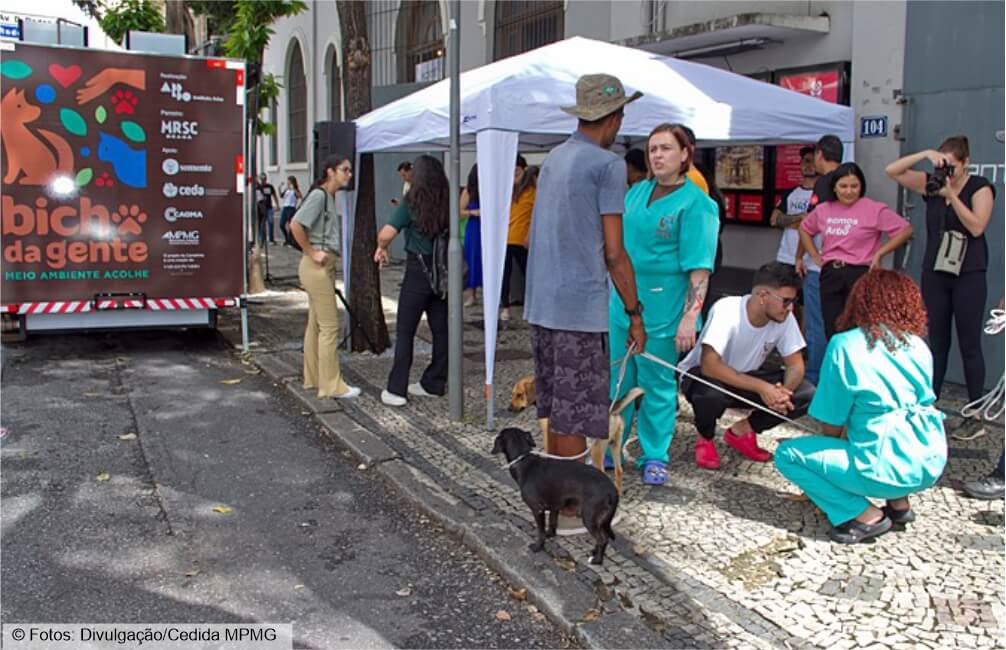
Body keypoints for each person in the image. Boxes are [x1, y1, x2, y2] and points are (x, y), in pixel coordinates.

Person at [524, 73, 646, 533]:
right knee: (575, 408)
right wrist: (635, 313)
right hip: (577, 304)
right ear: (614, 118)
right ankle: (571, 507)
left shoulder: (554, 158)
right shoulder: (606, 164)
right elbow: (614, 252)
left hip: (542, 300)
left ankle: (555, 499)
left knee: (557, 405)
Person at [775, 270, 947, 544]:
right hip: (929, 462)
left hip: (881, 467)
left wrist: (826, 461)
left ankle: (863, 515)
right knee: (892, 426)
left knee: (787, 455)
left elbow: (831, 419)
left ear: (860, 301)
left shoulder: (845, 344)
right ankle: (899, 506)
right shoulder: (918, 345)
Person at [609, 123, 719, 484]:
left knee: (657, 382)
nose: (657, 155)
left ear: (685, 154)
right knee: (617, 377)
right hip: (622, 298)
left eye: (666, 148)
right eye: (653, 148)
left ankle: (655, 453)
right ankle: (613, 444)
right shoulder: (636, 192)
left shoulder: (698, 204)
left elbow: (699, 267)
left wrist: (691, 314)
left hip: (665, 304)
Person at [885, 136, 996, 423]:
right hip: (936, 271)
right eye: (943, 165)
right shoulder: (932, 183)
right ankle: (929, 404)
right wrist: (924, 153)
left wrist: (952, 196)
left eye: (953, 166)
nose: (947, 172)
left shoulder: (979, 187)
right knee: (937, 341)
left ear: (966, 163)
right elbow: (892, 171)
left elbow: (976, 227)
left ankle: (975, 414)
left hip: (968, 273)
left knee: (969, 343)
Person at [680, 263, 815, 469]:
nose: (791, 308)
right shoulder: (728, 309)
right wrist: (763, 388)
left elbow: (795, 365)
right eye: (786, 301)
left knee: (806, 393)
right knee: (710, 394)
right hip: (704, 376)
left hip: (746, 378)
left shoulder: (785, 318)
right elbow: (709, 365)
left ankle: (742, 431)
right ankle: (704, 437)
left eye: (794, 301)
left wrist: (783, 393)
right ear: (762, 295)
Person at [799, 162, 913, 339]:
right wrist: (813, 254)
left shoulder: (873, 209)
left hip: (861, 273)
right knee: (833, 329)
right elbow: (805, 228)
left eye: (854, 186)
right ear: (835, 188)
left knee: (859, 329)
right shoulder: (824, 209)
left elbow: (905, 230)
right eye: (843, 186)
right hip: (831, 273)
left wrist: (880, 252)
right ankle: (838, 364)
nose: (849, 191)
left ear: (861, 187)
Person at [374, 155, 450, 407]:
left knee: (406, 331)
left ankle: (396, 390)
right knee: (441, 331)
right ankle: (434, 383)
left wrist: (381, 247)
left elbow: (386, 233)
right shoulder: (447, 200)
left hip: (417, 272)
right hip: (441, 272)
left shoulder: (411, 202)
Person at [288, 156, 360, 400]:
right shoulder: (319, 195)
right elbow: (295, 224)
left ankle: (315, 378)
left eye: (349, 170)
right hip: (317, 266)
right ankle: (331, 386)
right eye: (344, 170)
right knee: (329, 327)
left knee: (316, 324)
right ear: (330, 172)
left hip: (320, 265)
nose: (349, 174)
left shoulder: (327, 196)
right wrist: (311, 251)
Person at [771, 146, 826, 384]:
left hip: (813, 263)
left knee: (810, 314)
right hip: (786, 258)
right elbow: (775, 219)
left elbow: (815, 225)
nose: (807, 165)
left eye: (811, 160)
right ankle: (787, 354)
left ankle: (803, 359)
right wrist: (799, 220)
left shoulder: (825, 193)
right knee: (786, 308)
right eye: (804, 161)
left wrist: (802, 222)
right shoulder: (791, 194)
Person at [500, 155, 536, 322]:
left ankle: (532, 307)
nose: (514, 174)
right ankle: (505, 308)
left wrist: (530, 234)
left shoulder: (532, 191)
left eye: (517, 171)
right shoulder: (505, 189)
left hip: (523, 240)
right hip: (506, 239)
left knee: (529, 275)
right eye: (512, 171)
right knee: (504, 276)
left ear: (524, 170)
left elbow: (536, 214)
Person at [460, 164, 482, 307]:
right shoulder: (469, 191)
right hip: (474, 227)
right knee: (473, 259)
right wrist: (473, 212)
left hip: (488, 227)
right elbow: (459, 211)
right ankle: (472, 294)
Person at [256, 173, 280, 244]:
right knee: (261, 223)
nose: (263, 180)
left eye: (264, 178)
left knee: (270, 222)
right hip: (260, 208)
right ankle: (262, 238)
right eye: (261, 179)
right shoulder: (257, 187)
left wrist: (277, 204)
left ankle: (271, 239)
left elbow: (274, 195)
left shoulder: (270, 186)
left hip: (269, 207)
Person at [279, 175, 302, 247]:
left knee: (290, 226)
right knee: (281, 224)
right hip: (285, 208)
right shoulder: (287, 189)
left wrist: (294, 189)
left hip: (291, 208)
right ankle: (287, 239)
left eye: (289, 181)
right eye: (287, 181)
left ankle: (290, 241)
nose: (288, 183)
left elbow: (300, 196)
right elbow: (281, 196)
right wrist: (279, 188)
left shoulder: (295, 189)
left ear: (292, 182)